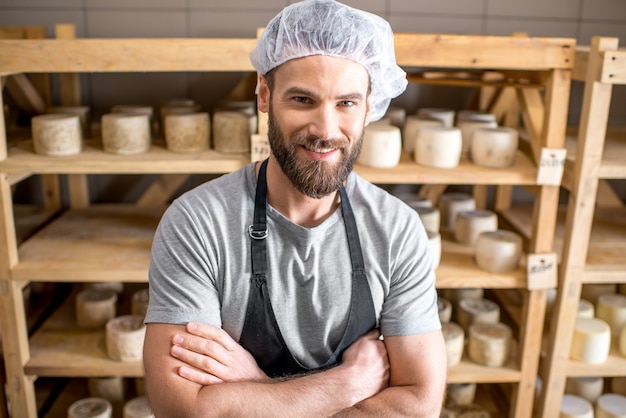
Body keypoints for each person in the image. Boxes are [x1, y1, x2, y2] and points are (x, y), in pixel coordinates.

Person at [143, 0, 447, 416]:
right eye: (303, 99)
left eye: (346, 103)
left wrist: (255, 390)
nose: (325, 130)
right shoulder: (197, 223)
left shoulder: (396, 229)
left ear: (369, 106)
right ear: (265, 96)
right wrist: (349, 383)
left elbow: (418, 405)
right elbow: (184, 411)